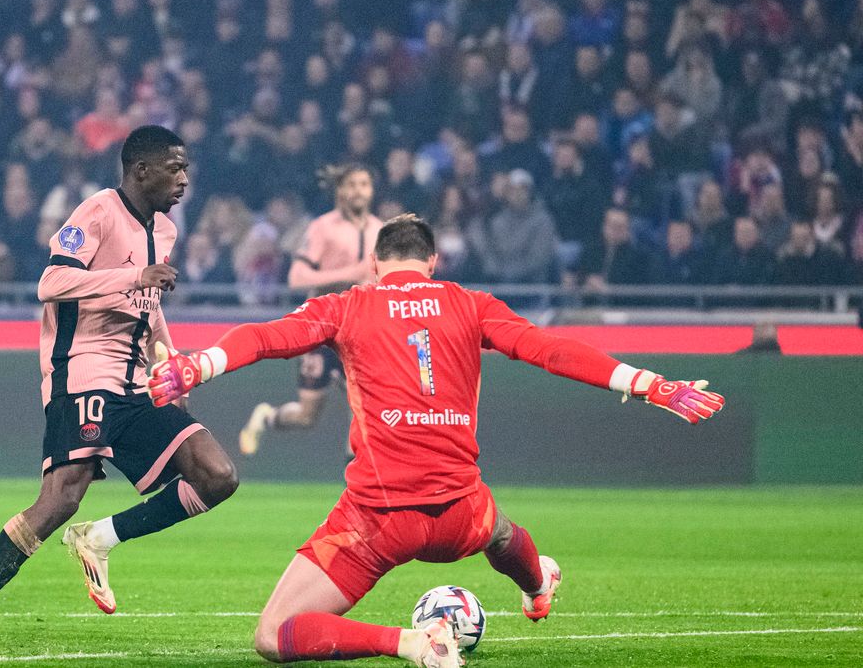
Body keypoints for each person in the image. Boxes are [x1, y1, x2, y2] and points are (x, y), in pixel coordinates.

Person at [148, 218, 724, 667]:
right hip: (460, 513)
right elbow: (549, 350)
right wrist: (649, 383)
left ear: (374, 264)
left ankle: (411, 643)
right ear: (433, 262)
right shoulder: (471, 305)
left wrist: (200, 365)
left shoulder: (349, 305)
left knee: (273, 635)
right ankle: (537, 584)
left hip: (380, 519)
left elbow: (269, 337)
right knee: (499, 531)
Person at [0, 126, 239, 654]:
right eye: (176, 168)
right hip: (82, 373)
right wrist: (134, 277)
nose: (185, 179)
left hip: (137, 381)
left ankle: (101, 538)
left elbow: (151, 302)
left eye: (186, 169)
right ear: (141, 169)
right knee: (60, 499)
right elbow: (51, 283)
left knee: (217, 475)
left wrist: (173, 360)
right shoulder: (96, 211)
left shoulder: (164, 230)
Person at [238, 164, 382, 457]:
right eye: (352, 185)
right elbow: (297, 278)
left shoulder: (380, 230)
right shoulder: (322, 228)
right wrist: (347, 274)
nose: (358, 191)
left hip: (361, 331)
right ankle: (267, 416)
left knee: (367, 405)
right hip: (324, 328)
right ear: (340, 190)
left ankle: (354, 479)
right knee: (306, 415)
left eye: (364, 184)